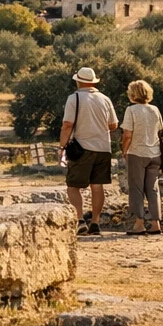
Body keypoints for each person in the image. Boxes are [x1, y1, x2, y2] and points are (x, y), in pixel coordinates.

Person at [59, 66, 118, 235]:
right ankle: (95, 222)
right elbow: (113, 124)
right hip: (103, 148)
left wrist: (62, 146)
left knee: (73, 186)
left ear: (78, 82)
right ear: (93, 82)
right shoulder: (105, 99)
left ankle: (79, 220)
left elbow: (67, 124)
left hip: (82, 148)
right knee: (97, 186)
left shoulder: (74, 98)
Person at [120, 79, 163, 235]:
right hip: (155, 153)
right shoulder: (155, 109)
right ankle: (156, 223)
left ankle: (139, 223)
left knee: (136, 188)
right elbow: (160, 131)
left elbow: (127, 134)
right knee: (153, 188)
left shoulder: (131, 110)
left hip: (137, 152)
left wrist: (124, 150)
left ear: (133, 94)